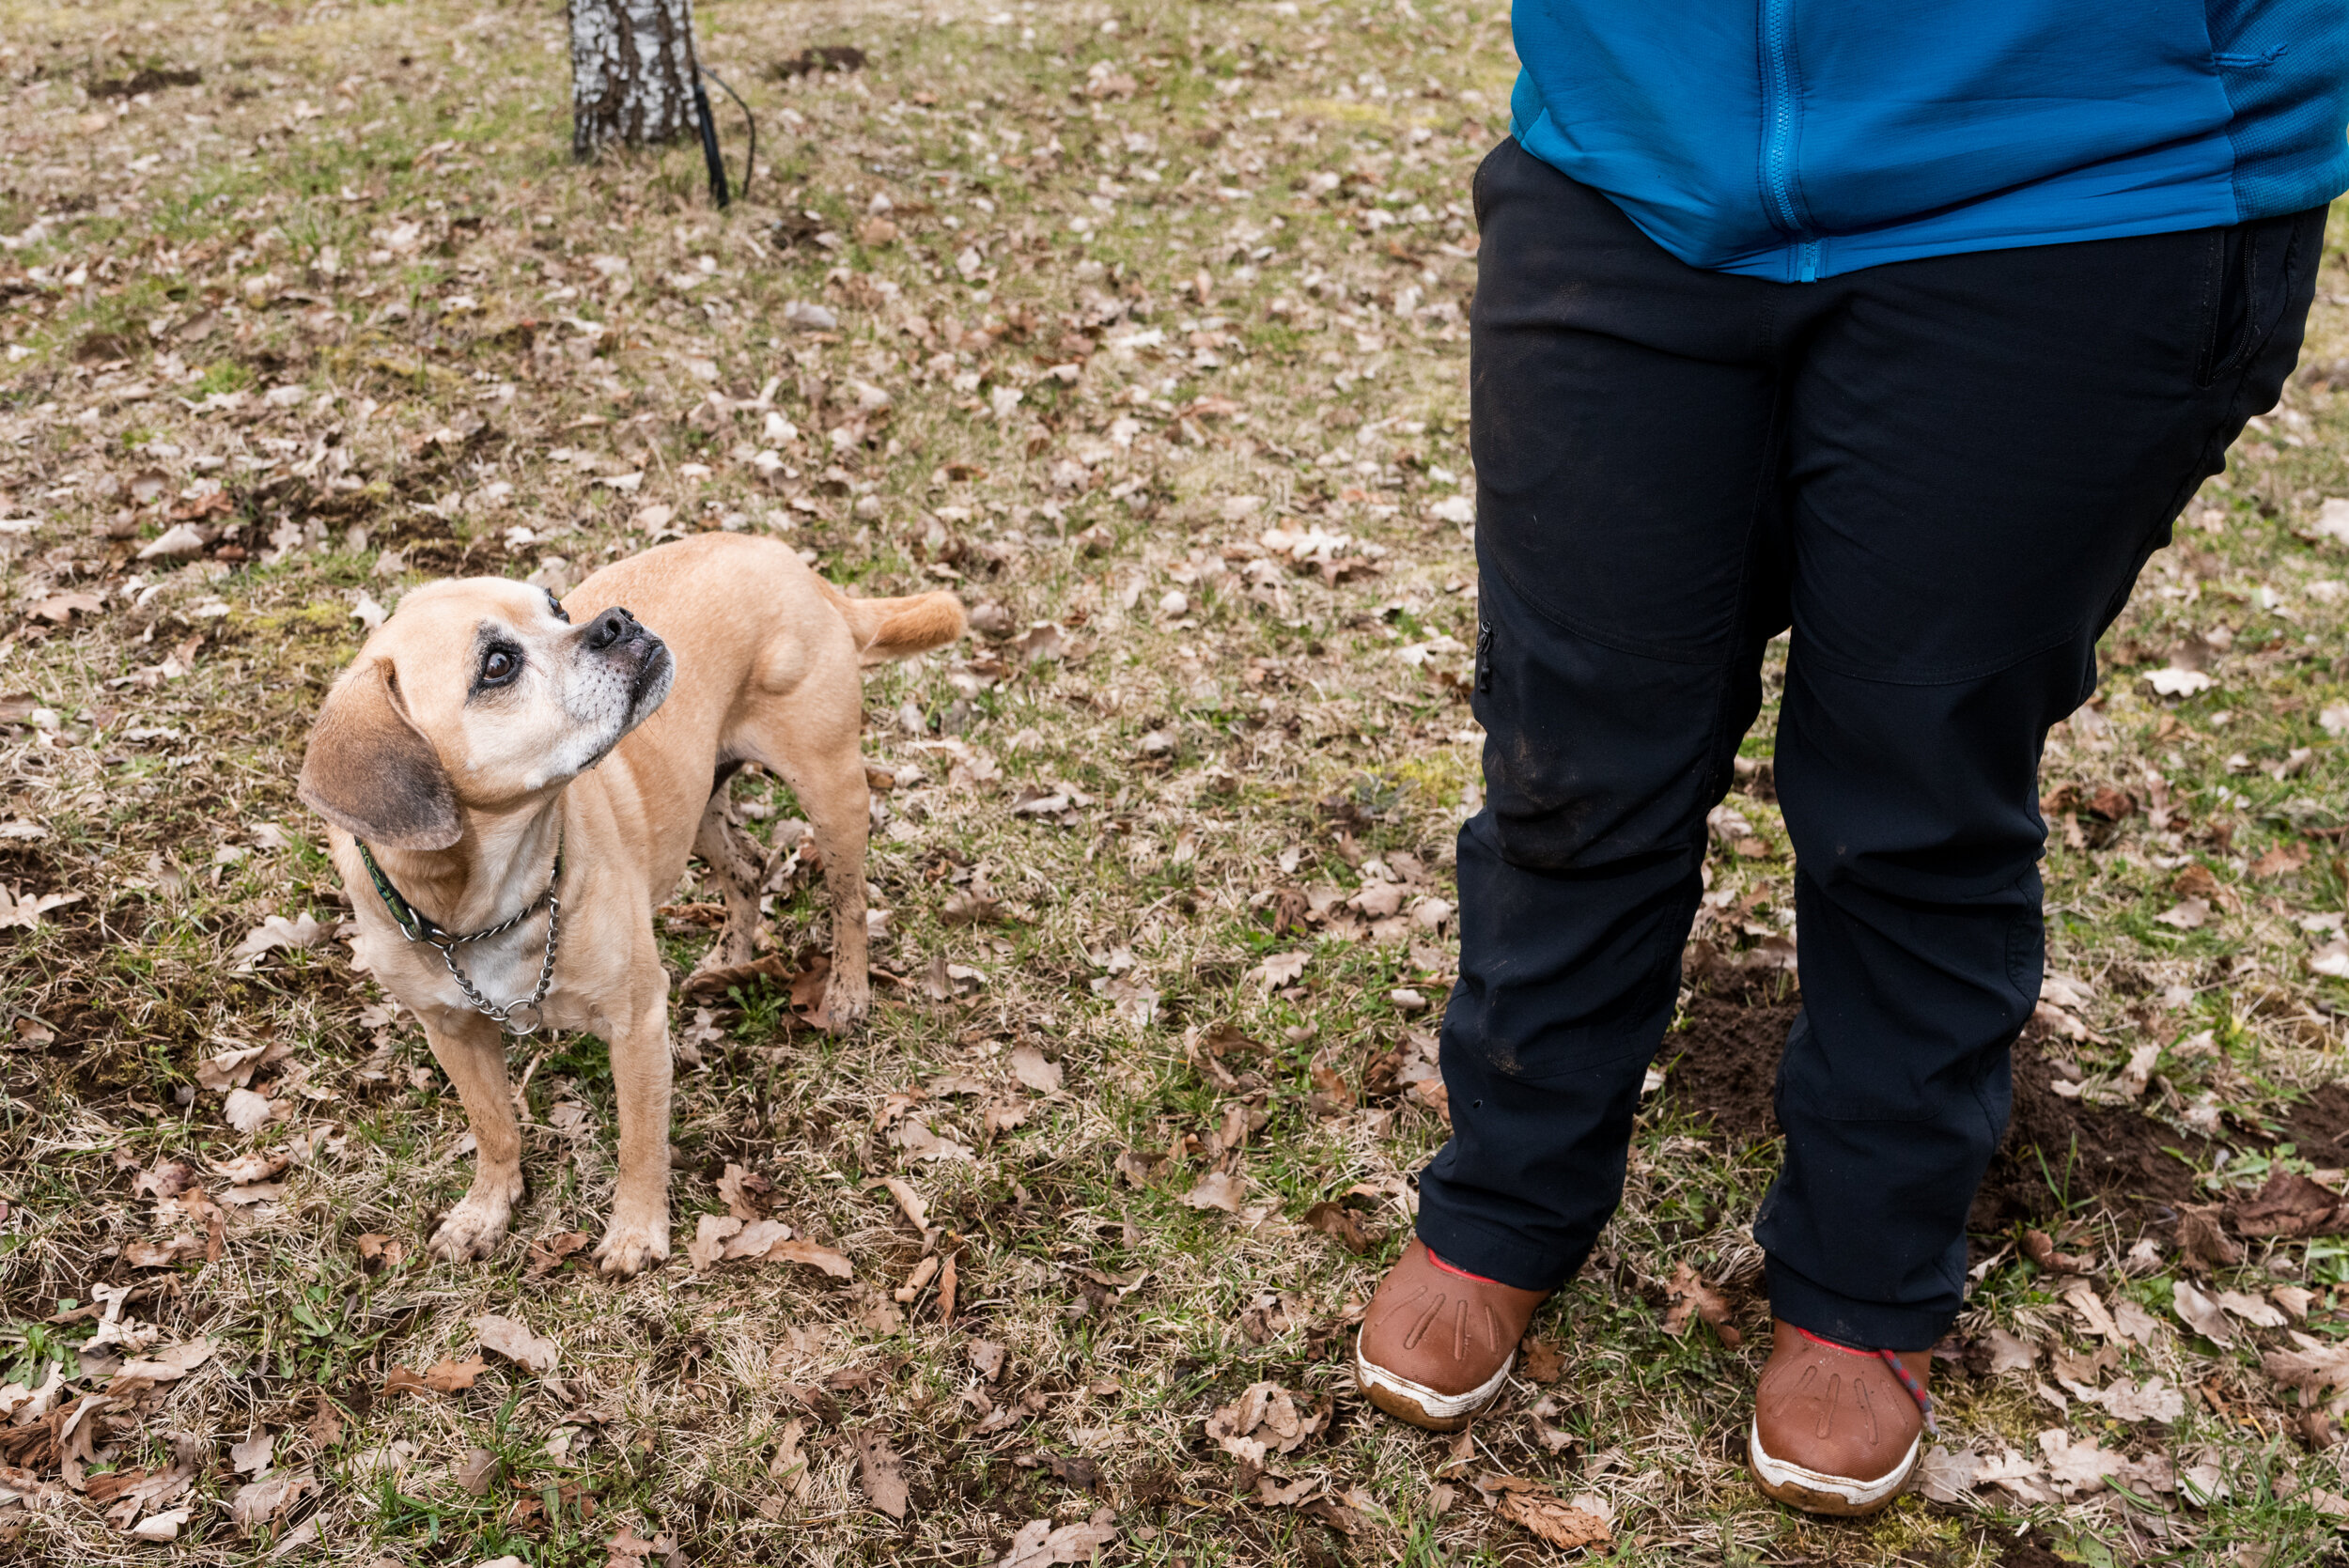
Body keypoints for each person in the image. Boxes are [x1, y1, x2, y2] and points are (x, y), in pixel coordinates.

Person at [1350, 3, 2349, 1516]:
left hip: (2075, 167)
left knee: (1915, 782)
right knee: (1577, 744)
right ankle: (1503, 1199)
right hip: (1633, 142)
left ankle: (1865, 1285)